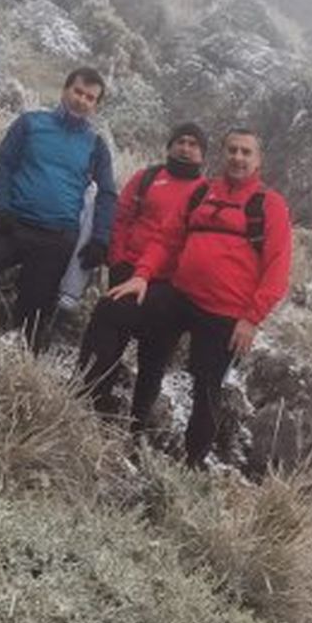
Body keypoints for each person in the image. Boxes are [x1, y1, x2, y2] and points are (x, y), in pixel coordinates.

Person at [108, 128, 292, 467]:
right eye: (232, 150)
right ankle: (132, 433)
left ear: (258, 160)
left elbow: (277, 268)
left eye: (246, 152)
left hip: (226, 314)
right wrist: (142, 275)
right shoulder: (201, 192)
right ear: (222, 154)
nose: (238, 157)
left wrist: (251, 319)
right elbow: (167, 240)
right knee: (142, 348)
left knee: (206, 389)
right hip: (180, 296)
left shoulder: (270, 205)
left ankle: (192, 465)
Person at [0, 68, 117, 353]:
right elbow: (4, 165)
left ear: (95, 105)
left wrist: (100, 240)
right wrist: (1, 208)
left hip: (57, 236)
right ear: (65, 90)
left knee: (35, 310)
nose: (81, 100)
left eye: (90, 98)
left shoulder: (96, 145)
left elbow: (107, 193)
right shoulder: (30, 123)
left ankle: (19, 355)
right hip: (12, 224)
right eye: (78, 92)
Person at [76, 123, 209, 415]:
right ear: (170, 146)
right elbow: (122, 217)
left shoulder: (205, 193)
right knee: (111, 332)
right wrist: (118, 260)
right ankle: (92, 400)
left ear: (203, 154)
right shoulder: (147, 178)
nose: (186, 148)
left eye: (193, 144)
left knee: (155, 352)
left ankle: (139, 423)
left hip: (168, 286)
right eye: (181, 141)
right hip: (128, 270)